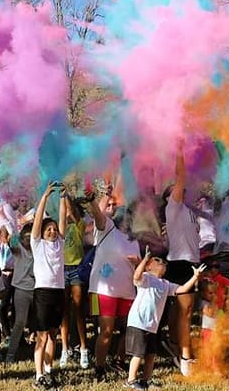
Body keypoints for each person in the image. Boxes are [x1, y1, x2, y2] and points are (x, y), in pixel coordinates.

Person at [124, 249, 205, 389]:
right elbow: (136, 277)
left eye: (164, 262)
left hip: (152, 326)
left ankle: (146, 381)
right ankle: (131, 380)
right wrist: (145, 259)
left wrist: (195, 278)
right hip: (138, 322)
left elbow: (182, 289)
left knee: (151, 354)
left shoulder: (166, 284)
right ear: (149, 267)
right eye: (157, 260)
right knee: (138, 354)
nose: (162, 263)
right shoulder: (146, 277)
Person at [87, 186, 140, 380]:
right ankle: (99, 369)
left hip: (128, 292)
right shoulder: (107, 228)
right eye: (125, 214)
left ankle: (119, 361)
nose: (128, 218)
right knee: (107, 332)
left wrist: (139, 263)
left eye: (130, 216)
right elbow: (98, 215)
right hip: (104, 290)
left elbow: (140, 268)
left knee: (129, 329)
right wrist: (93, 199)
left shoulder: (134, 240)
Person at [162, 142, 201, 376]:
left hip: (189, 263)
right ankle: (186, 357)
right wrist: (178, 150)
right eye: (174, 189)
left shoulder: (188, 211)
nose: (179, 189)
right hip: (180, 264)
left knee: (180, 312)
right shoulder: (173, 207)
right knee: (186, 313)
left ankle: (175, 346)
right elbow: (182, 175)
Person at [30, 182, 68, 389]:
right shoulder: (37, 243)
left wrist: (63, 197)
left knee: (53, 334)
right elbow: (38, 220)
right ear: (43, 233)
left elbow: (63, 219)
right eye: (49, 229)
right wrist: (44, 197)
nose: (53, 231)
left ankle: (49, 371)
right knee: (42, 336)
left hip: (58, 292)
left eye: (54, 229)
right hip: (43, 292)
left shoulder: (60, 243)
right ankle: (38, 375)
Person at [59, 194, 89, 370]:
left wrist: (65, 194)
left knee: (78, 311)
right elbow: (64, 212)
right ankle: (64, 348)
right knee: (64, 312)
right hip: (63, 271)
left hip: (76, 270)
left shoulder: (79, 226)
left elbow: (70, 211)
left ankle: (84, 349)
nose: (70, 214)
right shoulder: (60, 228)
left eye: (74, 212)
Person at [4, 222, 35, 363]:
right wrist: (12, 229)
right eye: (26, 238)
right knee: (19, 322)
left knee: (39, 323)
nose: (28, 241)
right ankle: (10, 354)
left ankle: (39, 352)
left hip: (37, 290)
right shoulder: (19, 250)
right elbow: (10, 241)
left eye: (31, 237)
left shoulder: (39, 249)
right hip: (21, 290)